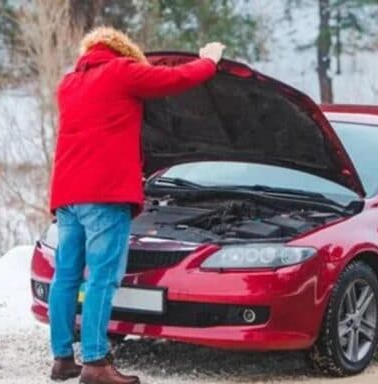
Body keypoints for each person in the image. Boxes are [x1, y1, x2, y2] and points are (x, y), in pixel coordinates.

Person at [47, 26, 224, 384]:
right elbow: (174, 79)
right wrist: (208, 62)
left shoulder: (68, 84)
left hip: (67, 196)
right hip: (105, 194)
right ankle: (96, 364)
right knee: (102, 278)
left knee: (65, 278)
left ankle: (63, 358)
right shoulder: (121, 72)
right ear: (124, 52)